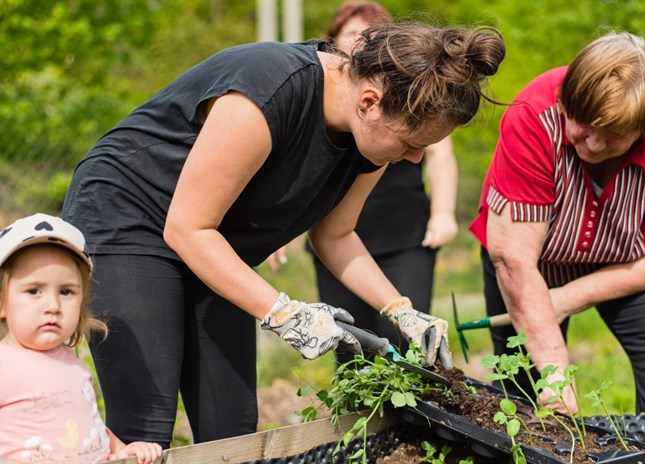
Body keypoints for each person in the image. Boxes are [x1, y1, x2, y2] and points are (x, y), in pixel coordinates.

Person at [61, 22, 506, 446]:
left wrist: (402, 310)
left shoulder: (369, 138)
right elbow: (188, 227)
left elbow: (335, 235)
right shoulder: (268, 90)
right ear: (369, 100)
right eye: (411, 143)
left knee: (232, 426)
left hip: (215, 239)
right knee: (146, 425)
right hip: (130, 218)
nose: (414, 159)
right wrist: (284, 312)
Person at [469, 31, 645, 415]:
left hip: (631, 264)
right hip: (531, 260)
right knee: (522, 392)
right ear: (564, 100)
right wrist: (555, 376)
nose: (592, 144)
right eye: (583, 124)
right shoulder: (533, 115)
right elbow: (514, 261)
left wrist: (564, 299)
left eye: (614, 137)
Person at [300, 1, 460, 364]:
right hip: (333, 232)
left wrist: (444, 213)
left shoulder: (412, 96)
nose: (360, 42)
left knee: (405, 340)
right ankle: (363, 418)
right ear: (335, 41)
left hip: (403, 230)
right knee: (351, 348)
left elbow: (441, 156)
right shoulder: (321, 99)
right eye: (352, 34)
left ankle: (410, 417)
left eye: (369, 35)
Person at [0, 213, 163, 464]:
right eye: (34, 291)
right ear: (2, 302)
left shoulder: (69, 358)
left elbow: (88, 424)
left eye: (66, 292)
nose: (53, 305)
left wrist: (121, 450)